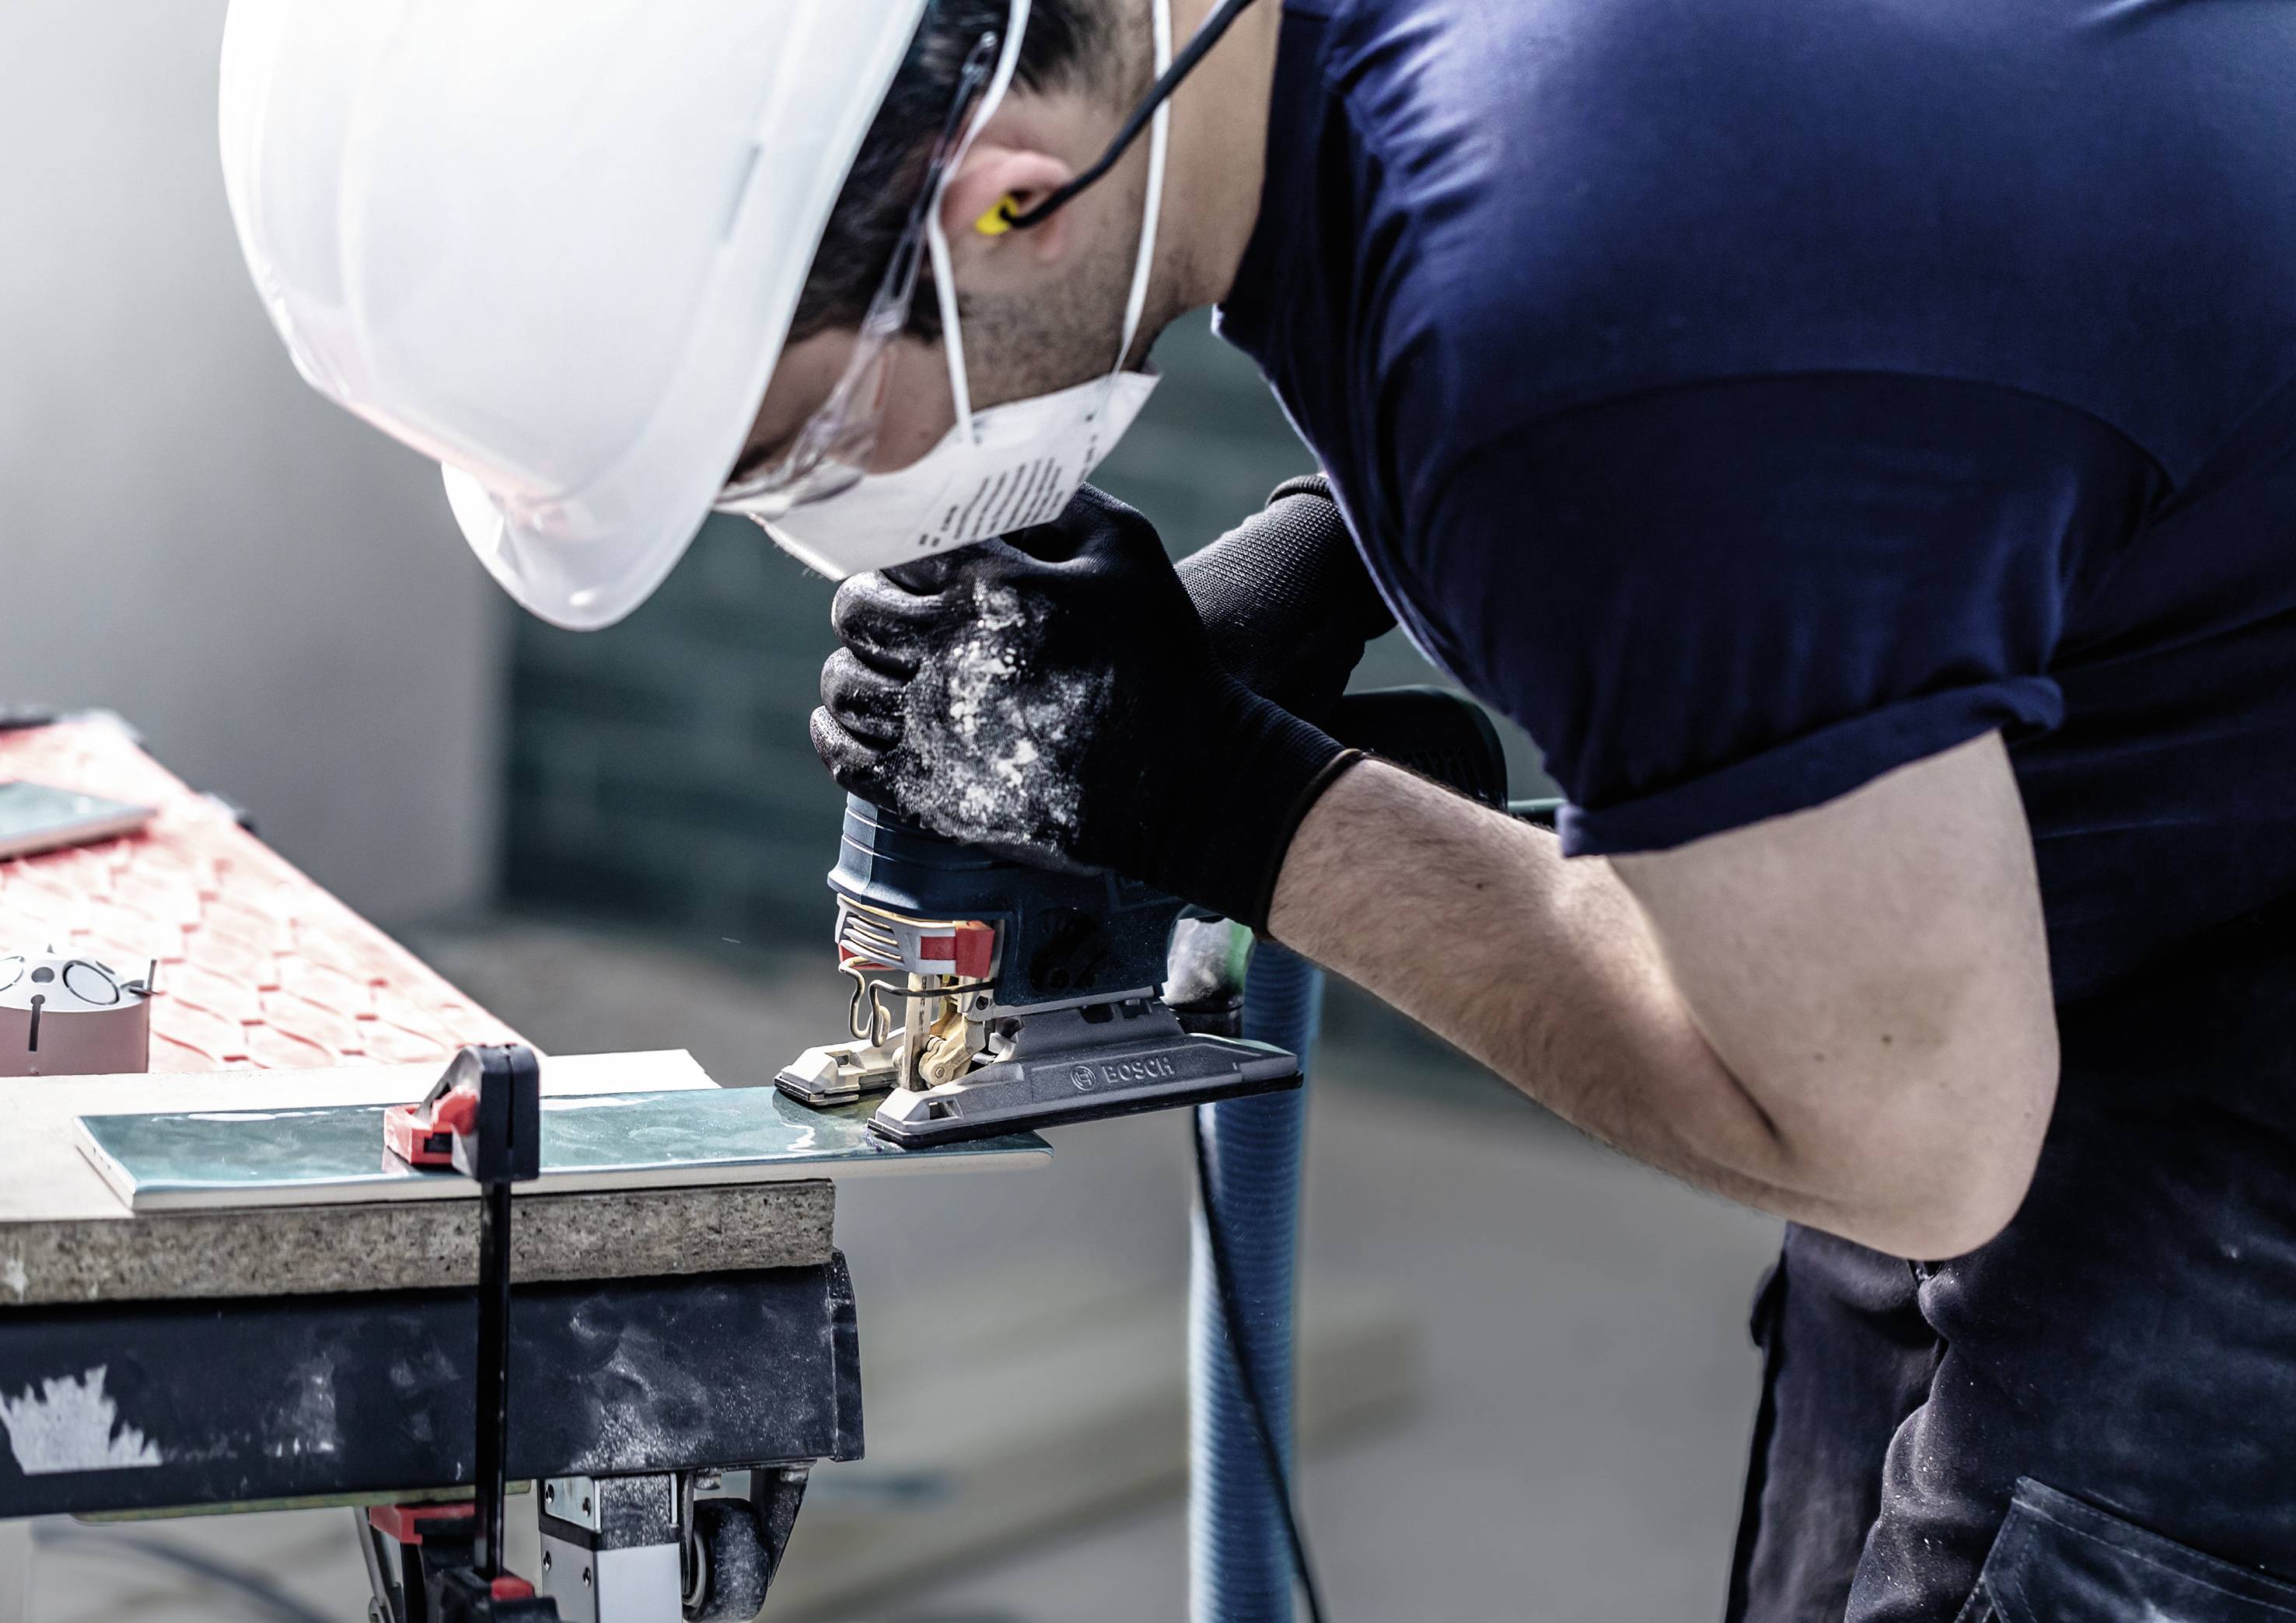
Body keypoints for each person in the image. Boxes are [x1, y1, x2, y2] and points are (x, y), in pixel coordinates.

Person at [221, 0, 2296, 1616]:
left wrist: (1229, 800)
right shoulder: (1357, 108)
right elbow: (1877, 292)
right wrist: (1359, 541)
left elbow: (1897, 1140)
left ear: (1001, 196)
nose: (827, 508)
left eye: (802, 443)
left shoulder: (1577, 324)